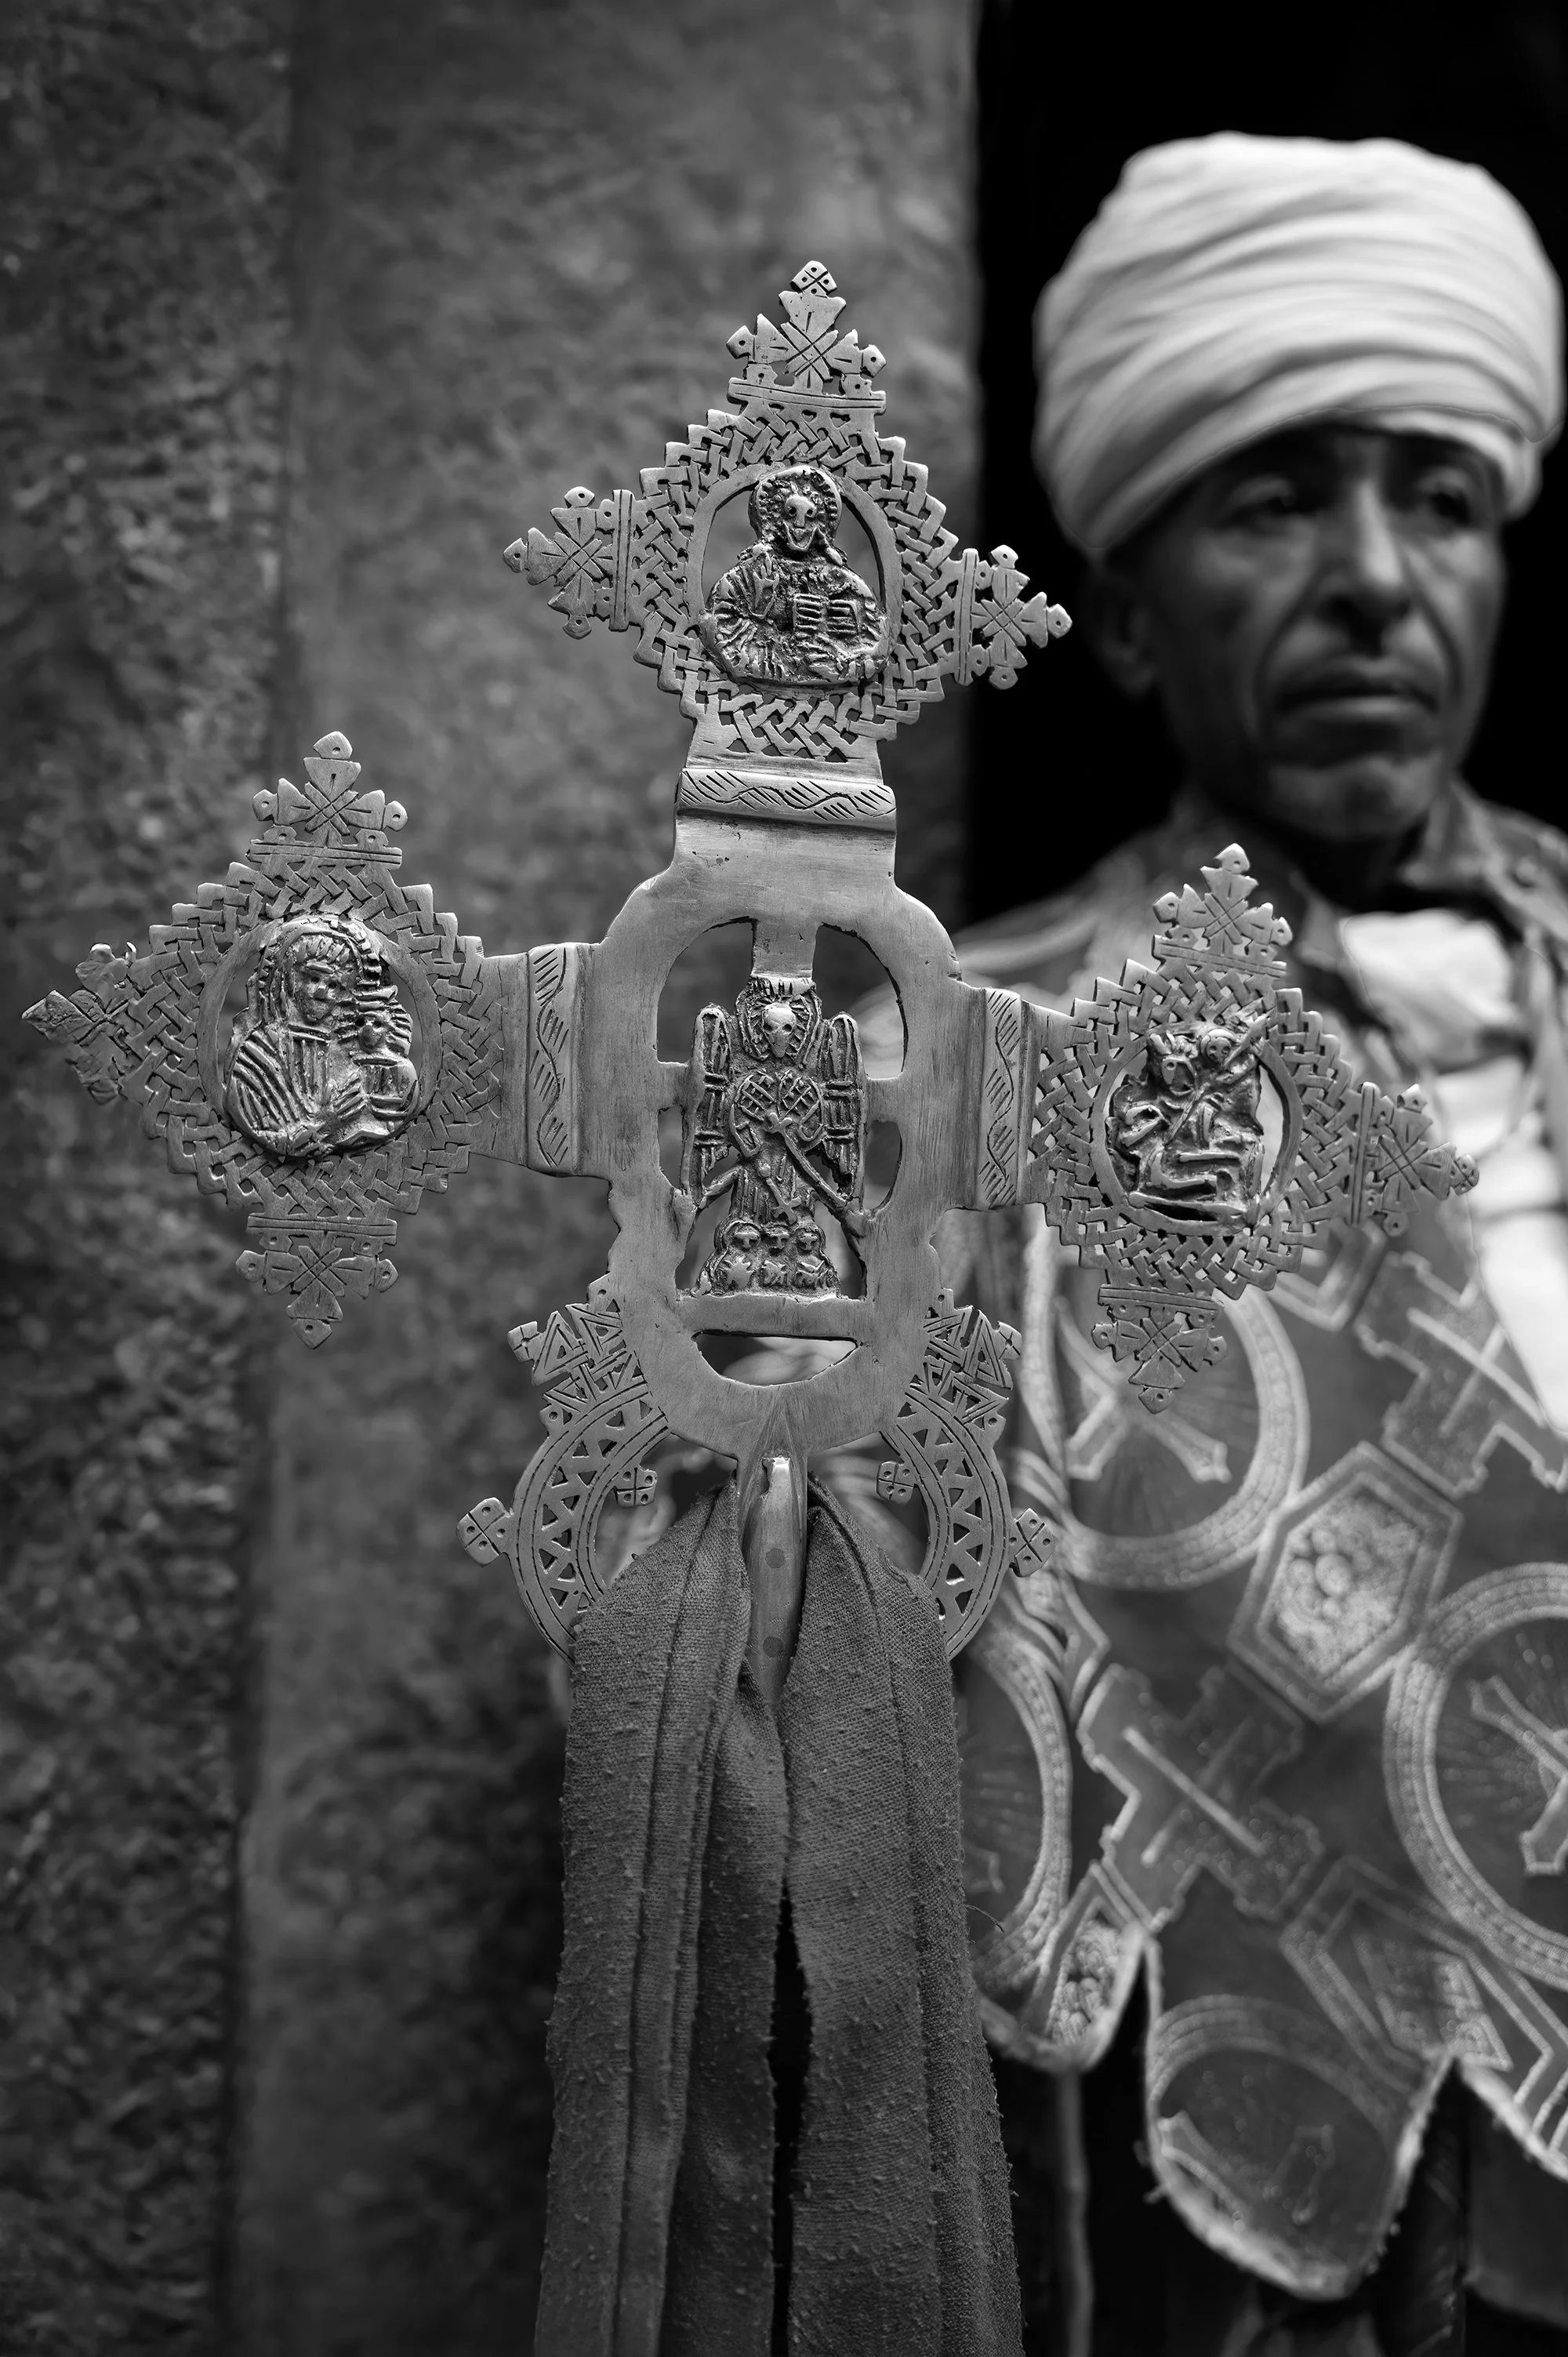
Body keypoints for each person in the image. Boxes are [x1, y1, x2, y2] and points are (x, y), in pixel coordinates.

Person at [935, 135, 1568, 2357]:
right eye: (1274, 500)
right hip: (1269, 2235)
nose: (1379, 580)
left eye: (1442, 497)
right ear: (1120, 600)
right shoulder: (981, 1059)